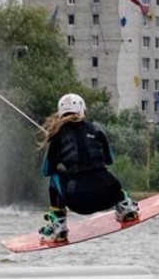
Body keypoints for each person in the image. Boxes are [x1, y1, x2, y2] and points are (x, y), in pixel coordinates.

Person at [37, 93, 139, 243]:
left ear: (60, 114)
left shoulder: (57, 137)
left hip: (79, 202)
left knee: (54, 176)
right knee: (102, 172)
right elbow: (109, 160)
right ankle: (125, 208)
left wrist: (59, 155)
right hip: (109, 194)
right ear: (83, 110)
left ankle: (58, 227)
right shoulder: (97, 130)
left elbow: (45, 171)